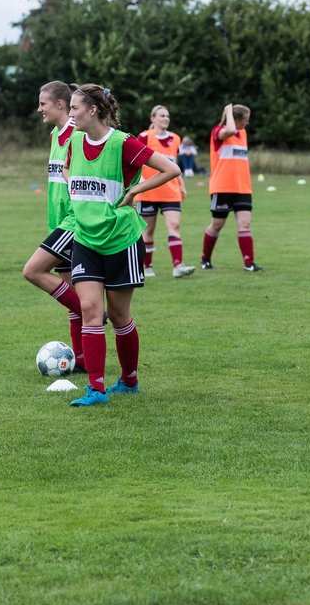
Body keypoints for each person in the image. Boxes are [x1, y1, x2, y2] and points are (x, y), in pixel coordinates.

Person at [60, 84, 181, 407]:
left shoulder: (124, 143)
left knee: (119, 315)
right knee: (90, 309)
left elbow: (172, 169)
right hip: (85, 238)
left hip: (121, 240)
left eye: (74, 108)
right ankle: (96, 389)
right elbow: (69, 167)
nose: (70, 115)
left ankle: (129, 379)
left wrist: (135, 190)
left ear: (93, 110)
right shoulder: (73, 140)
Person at [22, 81, 85, 372]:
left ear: (61, 104)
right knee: (71, 294)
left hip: (74, 222)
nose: (39, 109)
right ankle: (82, 359)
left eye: (43, 103)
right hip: (59, 222)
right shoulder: (55, 135)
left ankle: (92, 310)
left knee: (33, 270)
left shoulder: (77, 134)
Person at [201, 103, 263, 272]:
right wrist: (228, 110)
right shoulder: (218, 131)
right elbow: (229, 130)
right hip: (222, 188)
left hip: (242, 188)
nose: (247, 123)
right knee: (217, 224)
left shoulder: (243, 133)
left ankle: (249, 263)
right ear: (235, 119)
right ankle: (205, 259)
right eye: (245, 120)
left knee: (245, 224)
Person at [137, 105, 195, 280]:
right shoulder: (144, 137)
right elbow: (134, 160)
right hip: (148, 190)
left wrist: (182, 185)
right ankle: (147, 267)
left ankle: (178, 266)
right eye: (162, 116)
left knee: (174, 225)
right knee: (148, 231)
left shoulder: (175, 138)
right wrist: (139, 181)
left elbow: (173, 165)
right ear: (153, 118)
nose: (165, 119)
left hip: (171, 190)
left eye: (167, 116)